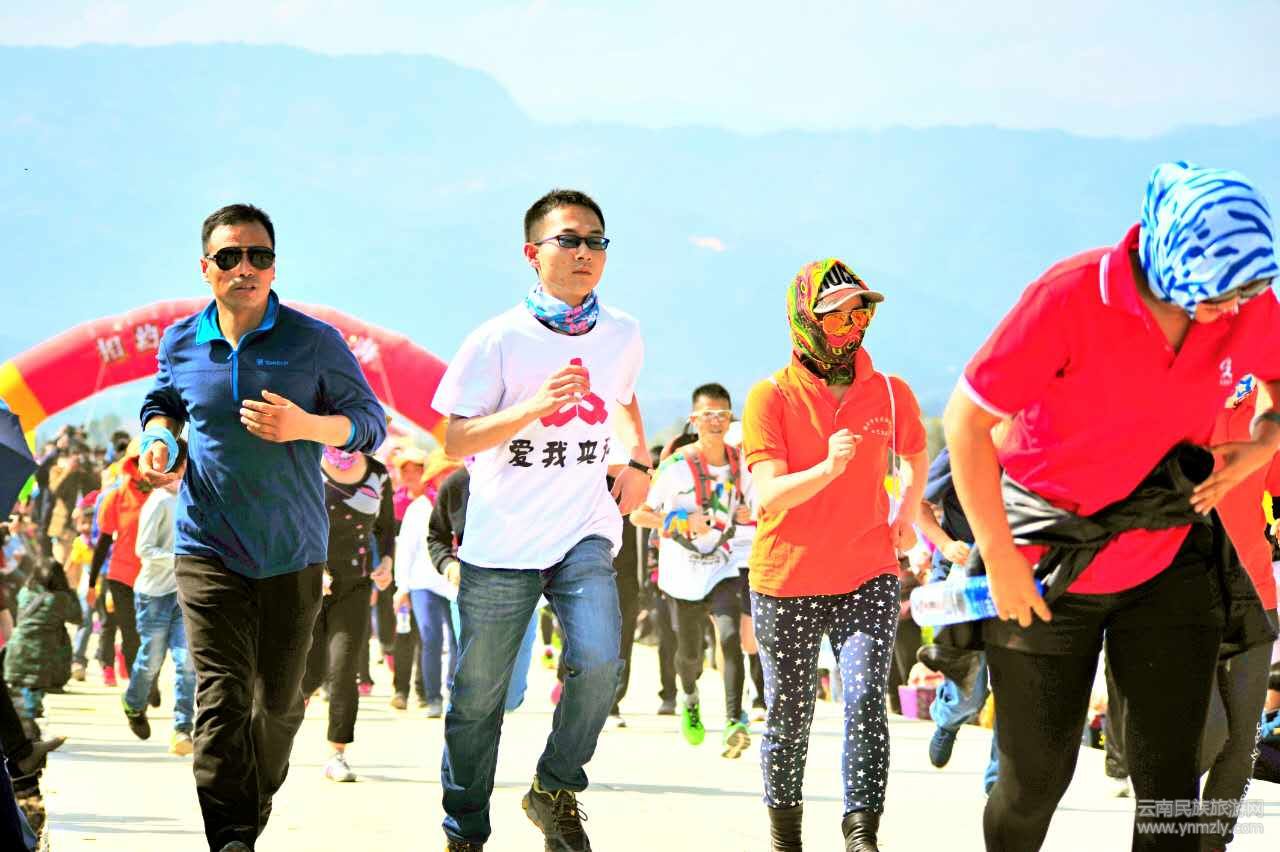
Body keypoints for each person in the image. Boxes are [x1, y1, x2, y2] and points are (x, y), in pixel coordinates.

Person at [943, 162, 1280, 851]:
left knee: (1171, 787)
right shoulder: (1069, 296)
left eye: (1245, 292)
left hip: (1168, 556)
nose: (1232, 310)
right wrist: (1000, 561)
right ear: (1171, 261)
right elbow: (965, 423)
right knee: (1034, 781)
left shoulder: (1245, 301)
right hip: (1045, 566)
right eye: (1217, 295)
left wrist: (1259, 445)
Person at [137, 203, 387, 852]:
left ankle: (250, 809)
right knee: (220, 700)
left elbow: (370, 423)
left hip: (292, 551)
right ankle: (231, 839)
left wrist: (306, 425)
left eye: (259, 256)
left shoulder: (314, 342)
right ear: (206, 268)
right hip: (207, 547)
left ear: (274, 267)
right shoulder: (181, 342)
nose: (245, 268)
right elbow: (163, 401)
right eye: (229, 257)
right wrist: (159, 436)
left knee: (278, 705)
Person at [433, 188, 649, 851]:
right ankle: (465, 828)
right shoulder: (497, 339)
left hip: (584, 527)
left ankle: (554, 789)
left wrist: (639, 461)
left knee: (600, 661)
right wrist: (532, 407)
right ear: (533, 253)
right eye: (569, 240)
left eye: (596, 241)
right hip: (503, 539)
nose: (585, 252)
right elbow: (453, 439)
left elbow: (624, 397)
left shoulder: (623, 332)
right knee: (480, 696)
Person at [742, 258, 929, 851]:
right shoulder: (770, 396)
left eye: (860, 312)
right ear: (805, 319)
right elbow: (769, 494)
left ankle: (861, 834)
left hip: (867, 571)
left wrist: (905, 517)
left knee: (866, 698)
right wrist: (827, 468)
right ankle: (786, 837)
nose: (852, 325)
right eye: (837, 315)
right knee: (790, 715)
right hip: (786, 579)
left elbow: (917, 456)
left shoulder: (891, 393)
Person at [632, 383, 754, 758]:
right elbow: (639, 515)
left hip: (724, 565)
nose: (716, 422)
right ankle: (689, 697)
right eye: (708, 415)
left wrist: (747, 512)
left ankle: (734, 721)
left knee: (730, 637)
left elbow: (756, 506)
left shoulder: (741, 464)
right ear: (694, 419)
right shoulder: (675, 467)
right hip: (682, 573)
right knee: (689, 656)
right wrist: (681, 520)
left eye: (723, 415)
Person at [300, 448, 394, 782]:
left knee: (343, 669)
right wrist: (314, 567)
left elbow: (385, 529)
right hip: (308, 581)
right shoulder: (309, 463)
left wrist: (387, 563)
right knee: (308, 674)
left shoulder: (378, 474)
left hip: (355, 586)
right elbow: (293, 519)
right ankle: (272, 737)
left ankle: (336, 754)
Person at [121, 457, 196, 756]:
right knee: (151, 659)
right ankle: (133, 704)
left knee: (187, 661)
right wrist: (179, 557)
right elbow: (143, 549)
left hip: (183, 593)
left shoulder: (192, 498)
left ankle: (182, 728)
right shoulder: (158, 502)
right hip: (153, 594)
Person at [394, 451, 462, 718]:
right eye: (442, 474)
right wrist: (402, 588)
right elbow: (406, 550)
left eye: (451, 473)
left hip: (457, 584)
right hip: (423, 583)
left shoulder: (468, 500)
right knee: (431, 638)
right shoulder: (419, 508)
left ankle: (455, 693)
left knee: (459, 641)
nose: (447, 479)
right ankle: (432, 698)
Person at [89, 437, 152, 702]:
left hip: (155, 577)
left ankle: (148, 681)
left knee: (152, 635)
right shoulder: (115, 496)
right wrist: (92, 583)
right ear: (130, 464)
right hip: (121, 577)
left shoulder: (167, 495)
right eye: (139, 461)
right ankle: (140, 689)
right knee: (130, 634)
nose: (144, 467)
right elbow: (103, 542)